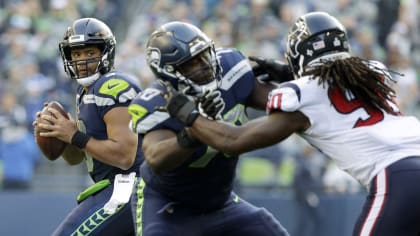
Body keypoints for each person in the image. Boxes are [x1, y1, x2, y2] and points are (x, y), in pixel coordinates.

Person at [160, 12, 420, 236]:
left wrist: (190, 116)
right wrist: (288, 72)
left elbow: (233, 140)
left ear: (298, 53)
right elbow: (334, 87)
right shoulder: (372, 72)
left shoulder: (302, 94)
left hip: (397, 177)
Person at [127, 21, 290, 236]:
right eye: (191, 63)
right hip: (169, 207)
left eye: (204, 55)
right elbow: (156, 159)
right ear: (169, 72)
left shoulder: (231, 69)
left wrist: (294, 78)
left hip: (220, 203)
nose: (204, 65)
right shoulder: (160, 101)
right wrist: (193, 132)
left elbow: (285, 105)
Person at [33, 18, 143, 236]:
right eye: (76, 54)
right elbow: (76, 158)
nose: (82, 60)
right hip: (115, 186)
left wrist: (75, 136)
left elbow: (124, 156)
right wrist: (60, 134)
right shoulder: (86, 92)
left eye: (89, 53)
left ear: (105, 52)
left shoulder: (113, 86)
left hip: (131, 186)